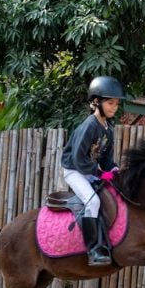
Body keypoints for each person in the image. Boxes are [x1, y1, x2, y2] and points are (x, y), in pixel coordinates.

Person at [60, 75, 125, 266]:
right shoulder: (89, 125)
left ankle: (106, 241)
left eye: (116, 104)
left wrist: (113, 169)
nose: (114, 107)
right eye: (110, 103)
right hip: (74, 171)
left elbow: (104, 159)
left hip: (88, 170)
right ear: (97, 102)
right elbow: (78, 159)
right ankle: (93, 250)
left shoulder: (108, 128)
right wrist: (100, 174)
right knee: (93, 201)